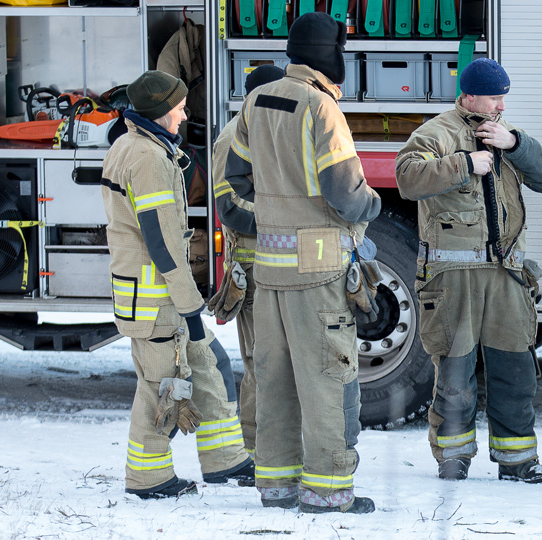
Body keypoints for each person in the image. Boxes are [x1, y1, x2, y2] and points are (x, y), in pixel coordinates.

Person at [224, 13, 382, 514]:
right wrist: (372, 204)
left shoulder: (256, 100)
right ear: (328, 56)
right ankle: (328, 491)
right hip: (319, 272)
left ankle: (275, 485)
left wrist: (278, 212)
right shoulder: (321, 106)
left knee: (274, 379)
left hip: (269, 274)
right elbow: (346, 193)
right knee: (326, 379)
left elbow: (238, 181)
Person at [396, 58, 542, 483]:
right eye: (493, 97)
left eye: (504, 97)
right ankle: (453, 458)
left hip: (507, 277)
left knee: (515, 373)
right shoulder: (436, 133)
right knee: (454, 375)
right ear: (469, 95)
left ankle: (518, 460)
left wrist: (516, 143)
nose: (500, 105)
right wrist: (465, 164)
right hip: (453, 282)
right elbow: (408, 178)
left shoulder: (505, 134)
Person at [101, 70, 254, 500]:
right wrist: (191, 305)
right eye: (180, 107)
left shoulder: (139, 145)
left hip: (157, 296)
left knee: (208, 366)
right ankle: (148, 478)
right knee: (160, 387)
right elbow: (163, 243)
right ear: (161, 111)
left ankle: (226, 459)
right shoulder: (147, 157)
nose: (185, 113)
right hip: (157, 302)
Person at [208, 64, 285, 457]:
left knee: (281, 362)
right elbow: (231, 209)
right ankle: (254, 452)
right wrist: (293, 218)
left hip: (282, 267)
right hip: (253, 271)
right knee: (261, 363)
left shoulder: (269, 130)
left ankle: (276, 447)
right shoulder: (232, 138)